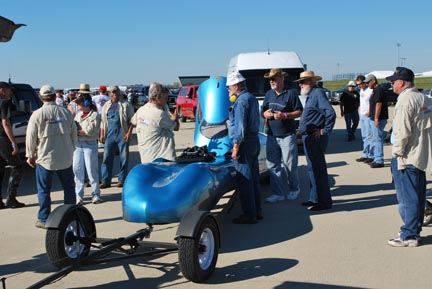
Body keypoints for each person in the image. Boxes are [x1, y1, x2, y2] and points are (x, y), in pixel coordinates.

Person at [385, 67, 432, 247]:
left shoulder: (405, 100)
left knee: (407, 198)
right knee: (418, 195)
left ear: (401, 83)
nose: (391, 84)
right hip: (420, 155)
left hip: (406, 156)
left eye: (393, 81)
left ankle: (409, 235)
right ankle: (414, 230)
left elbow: (402, 131)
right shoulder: (424, 98)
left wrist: (397, 154)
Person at [26, 85, 77, 229]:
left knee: (44, 190)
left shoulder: (37, 115)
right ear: (55, 96)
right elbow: (74, 132)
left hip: (45, 158)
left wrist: (30, 155)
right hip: (65, 157)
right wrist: (72, 148)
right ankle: (70, 215)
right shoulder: (66, 112)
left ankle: (43, 218)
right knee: (68, 188)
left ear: (41, 98)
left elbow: (31, 137)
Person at [261, 68, 303, 202]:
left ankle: (294, 189)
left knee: (289, 165)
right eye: (270, 79)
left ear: (282, 78)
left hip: (287, 135)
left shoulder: (291, 93)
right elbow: (263, 111)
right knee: (273, 165)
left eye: (274, 78)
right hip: (272, 135)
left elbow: (299, 111)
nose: (271, 81)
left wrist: (285, 115)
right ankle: (278, 193)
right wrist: (265, 114)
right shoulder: (268, 94)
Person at [296, 71, 336, 211]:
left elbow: (330, 113)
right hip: (309, 137)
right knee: (312, 169)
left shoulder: (318, 93)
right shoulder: (311, 95)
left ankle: (324, 201)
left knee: (318, 170)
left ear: (312, 82)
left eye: (304, 81)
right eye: (300, 82)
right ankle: (315, 198)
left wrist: (324, 130)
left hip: (315, 138)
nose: (301, 84)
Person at [226, 71, 262, 224]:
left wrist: (235, 148)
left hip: (244, 143)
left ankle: (249, 214)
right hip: (254, 140)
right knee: (254, 179)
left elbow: (240, 127)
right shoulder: (252, 98)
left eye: (229, 87)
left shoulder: (240, 101)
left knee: (245, 180)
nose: (228, 89)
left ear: (236, 86)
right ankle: (257, 210)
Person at [128, 82, 179, 163]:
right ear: (158, 97)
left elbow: (133, 122)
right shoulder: (159, 114)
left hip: (146, 157)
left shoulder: (141, 110)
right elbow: (176, 127)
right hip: (161, 158)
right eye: (165, 98)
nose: (167, 100)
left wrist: (129, 133)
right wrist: (175, 118)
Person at [99, 85, 134, 188]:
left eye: (115, 92)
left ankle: (122, 179)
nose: (114, 94)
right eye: (111, 93)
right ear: (109, 94)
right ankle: (106, 180)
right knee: (106, 157)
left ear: (119, 93)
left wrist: (129, 133)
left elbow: (132, 120)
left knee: (124, 157)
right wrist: (101, 134)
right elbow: (103, 121)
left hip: (122, 133)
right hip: (109, 133)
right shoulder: (106, 105)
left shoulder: (126, 104)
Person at [73, 94, 103, 205]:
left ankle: (96, 194)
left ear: (86, 103)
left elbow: (89, 131)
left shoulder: (95, 115)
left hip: (89, 144)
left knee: (91, 170)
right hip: (78, 144)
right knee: (77, 170)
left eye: (80, 102)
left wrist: (75, 131)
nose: (78, 105)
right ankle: (79, 195)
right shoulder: (78, 115)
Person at [0, 81, 25, 209]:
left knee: (1, 167)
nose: (10, 92)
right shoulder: (3, 103)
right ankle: (11, 198)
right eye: (9, 90)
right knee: (17, 166)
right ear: (2, 90)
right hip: (3, 139)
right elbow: (6, 123)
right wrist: (13, 142)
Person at [365, 74, 388, 168]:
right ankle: (375, 158)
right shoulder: (374, 90)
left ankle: (379, 160)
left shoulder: (378, 90)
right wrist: (370, 112)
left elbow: (378, 104)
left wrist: (376, 118)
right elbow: (373, 104)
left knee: (377, 139)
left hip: (379, 118)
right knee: (374, 139)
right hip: (373, 118)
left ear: (373, 81)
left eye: (368, 82)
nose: (367, 84)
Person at [355, 75, 374, 163]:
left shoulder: (370, 90)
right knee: (364, 136)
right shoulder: (361, 90)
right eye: (357, 84)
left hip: (368, 115)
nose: (359, 86)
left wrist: (370, 111)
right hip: (362, 115)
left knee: (369, 136)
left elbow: (373, 102)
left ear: (365, 82)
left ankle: (371, 155)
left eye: (360, 84)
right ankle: (365, 154)